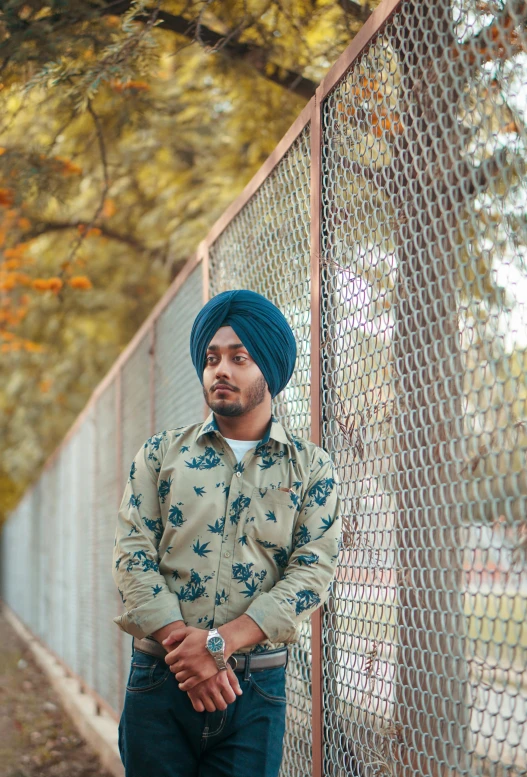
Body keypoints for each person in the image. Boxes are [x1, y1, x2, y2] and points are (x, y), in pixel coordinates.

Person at [112, 289, 341, 777]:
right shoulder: (160, 456)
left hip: (254, 693)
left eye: (240, 357)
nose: (222, 370)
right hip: (160, 681)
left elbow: (313, 571)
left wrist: (217, 646)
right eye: (212, 358)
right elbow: (132, 555)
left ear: (270, 370)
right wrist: (187, 650)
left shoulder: (310, 468)